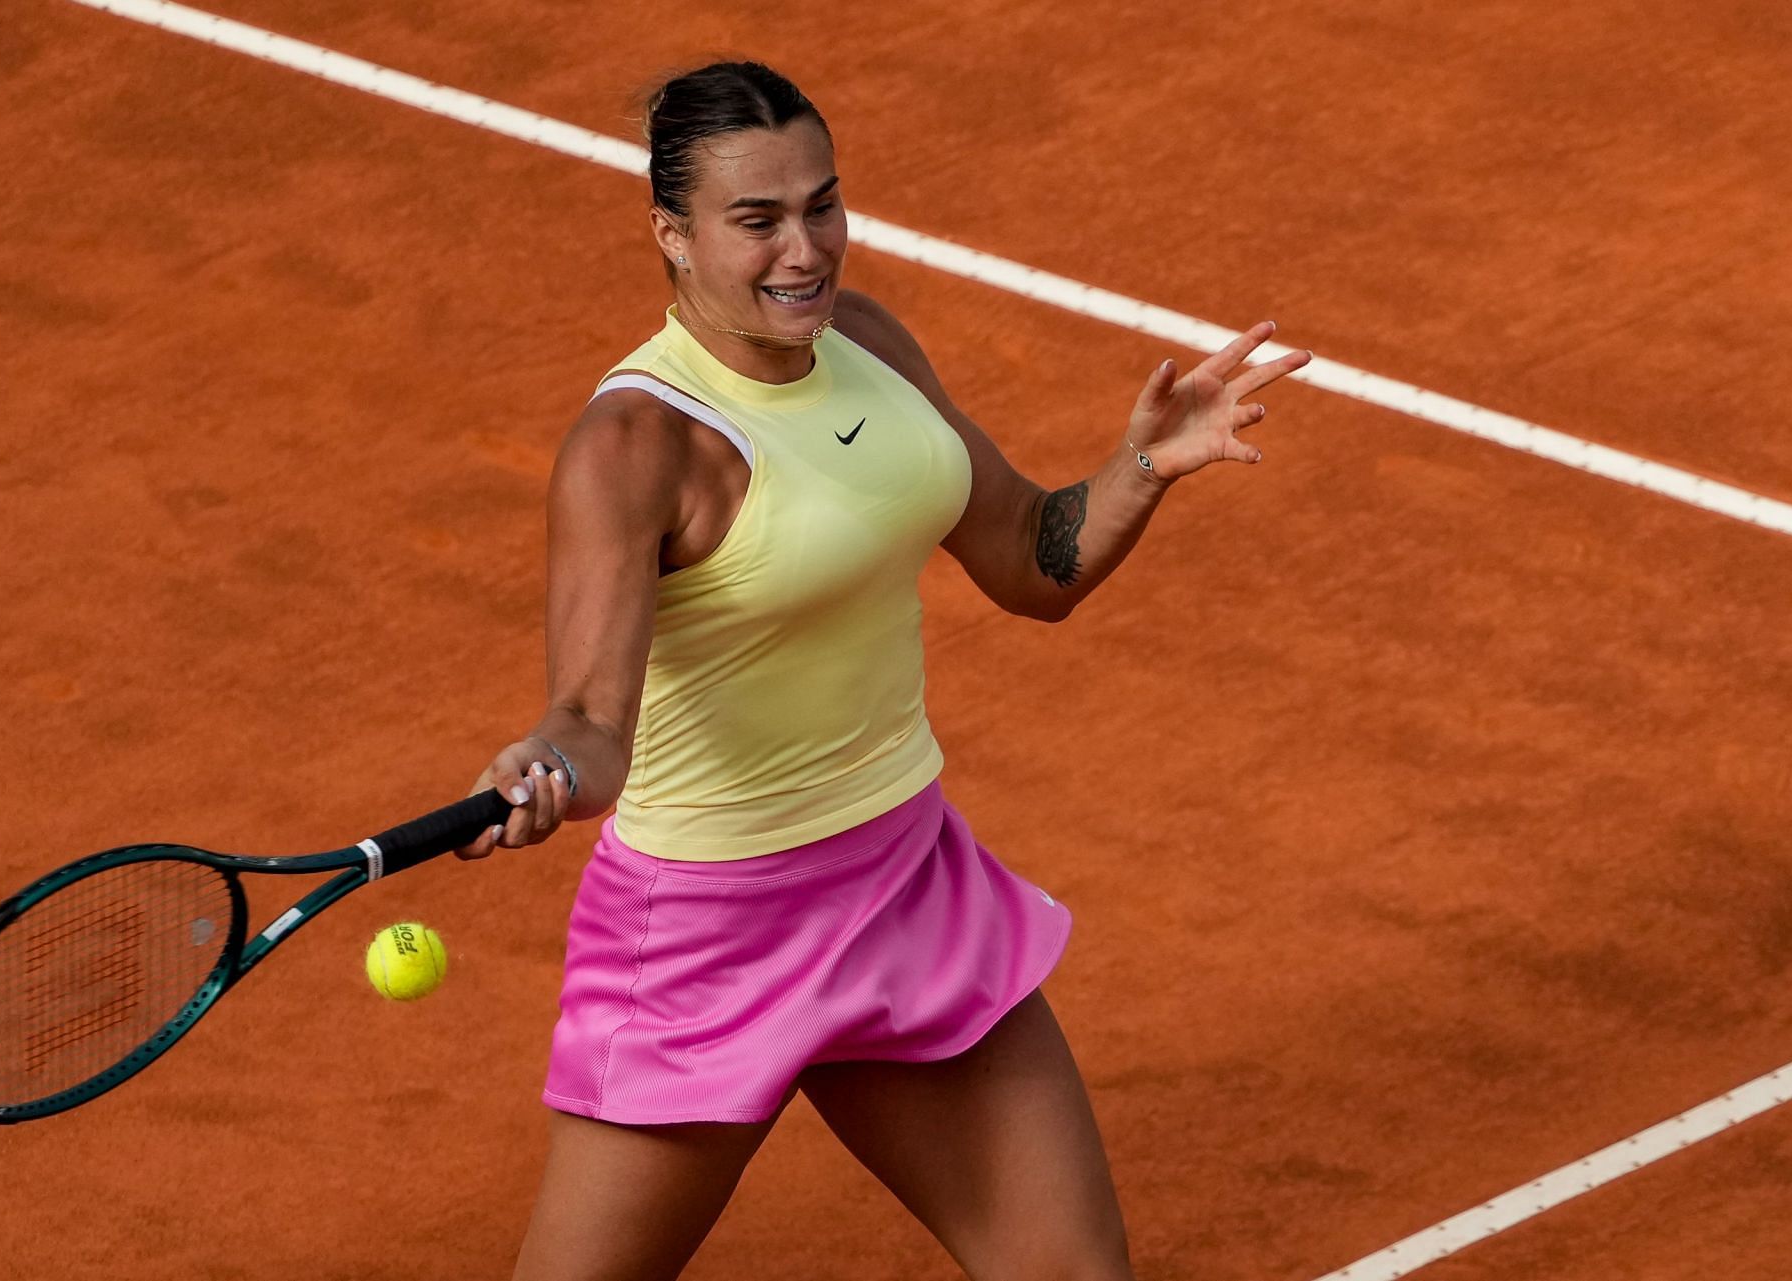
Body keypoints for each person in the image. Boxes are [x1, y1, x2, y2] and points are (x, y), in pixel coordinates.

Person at [454, 61, 1311, 1281]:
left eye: (821, 205)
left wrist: (1142, 470)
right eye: (757, 221)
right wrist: (545, 768)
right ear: (673, 237)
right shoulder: (637, 445)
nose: (804, 250)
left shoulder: (864, 341)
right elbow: (593, 719)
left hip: (903, 880)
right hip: (711, 932)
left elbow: (1028, 559)